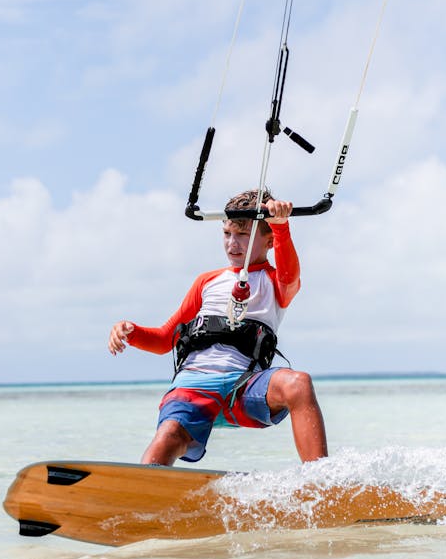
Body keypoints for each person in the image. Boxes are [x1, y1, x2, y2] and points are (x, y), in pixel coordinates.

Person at [108, 189, 327, 466]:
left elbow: (290, 276)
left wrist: (282, 227)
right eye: (226, 234)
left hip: (244, 388)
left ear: (269, 240)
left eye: (243, 235)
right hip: (194, 387)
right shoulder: (207, 282)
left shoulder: (275, 282)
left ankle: (321, 479)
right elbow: (165, 339)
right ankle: (141, 488)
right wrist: (131, 332)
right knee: (169, 435)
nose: (232, 243)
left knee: (298, 384)